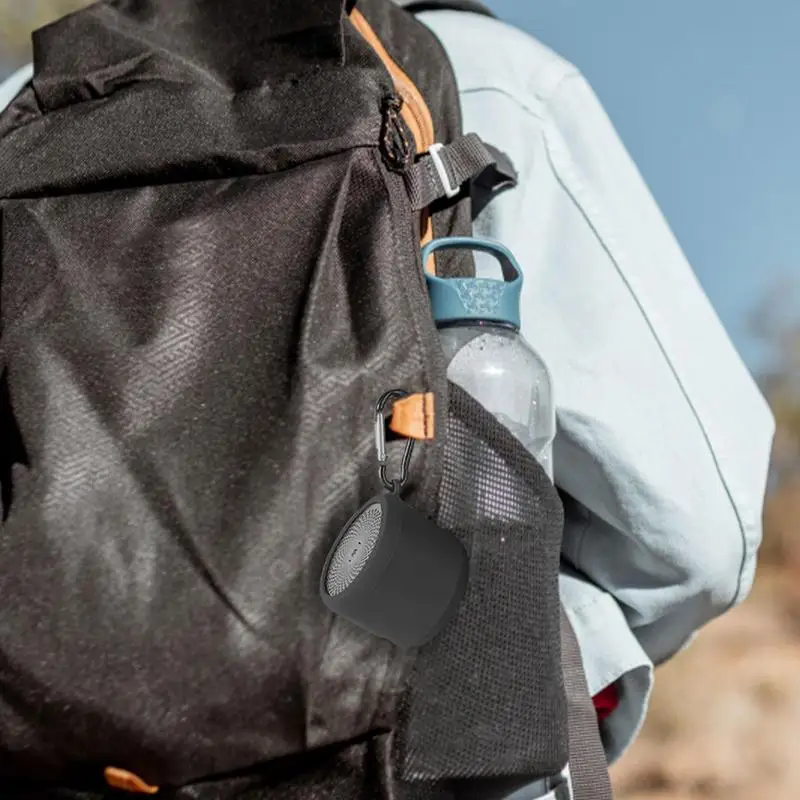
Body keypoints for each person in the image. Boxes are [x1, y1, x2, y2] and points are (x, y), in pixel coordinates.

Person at [0, 0, 775, 772]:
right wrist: (504, 643)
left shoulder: (34, 98)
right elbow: (698, 535)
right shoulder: (485, 76)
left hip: (57, 752)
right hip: (411, 756)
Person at [406, 2, 775, 764]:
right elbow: (701, 538)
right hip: (441, 747)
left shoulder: (135, 83)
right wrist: (532, 639)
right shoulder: (481, 78)